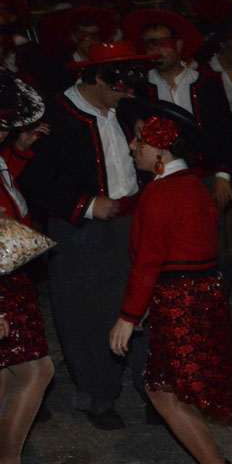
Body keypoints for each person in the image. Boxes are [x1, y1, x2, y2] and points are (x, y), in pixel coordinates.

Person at [18, 41, 156, 431]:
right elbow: (33, 180)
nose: (127, 93)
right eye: (119, 85)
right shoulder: (56, 115)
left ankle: (154, 391)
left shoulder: (128, 108)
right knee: (85, 314)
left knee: (142, 305)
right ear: (96, 77)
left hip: (133, 222)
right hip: (80, 231)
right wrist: (87, 205)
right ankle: (98, 394)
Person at [108, 100, 232, 464]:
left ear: (161, 150)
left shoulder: (161, 194)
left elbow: (149, 262)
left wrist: (128, 317)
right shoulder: (194, 187)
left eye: (140, 140)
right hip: (199, 296)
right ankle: (209, 459)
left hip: (181, 300)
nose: (132, 146)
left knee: (163, 393)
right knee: (176, 387)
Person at [122, 9, 232, 290]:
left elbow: (226, 133)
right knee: (165, 246)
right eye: (150, 43)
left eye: (162, 42)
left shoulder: (207, 84)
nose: (156, 49)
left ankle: (215, 301)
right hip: (161, 181)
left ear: (179, 45)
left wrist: (223, 174)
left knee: (214, 245)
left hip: (204, 175)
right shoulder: (139, 90)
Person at [0, 73, 55, 464]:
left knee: (8, 374)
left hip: (11, 280)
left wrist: (18, 152)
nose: (8, 131)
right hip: (2, 289)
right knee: (37, 371)